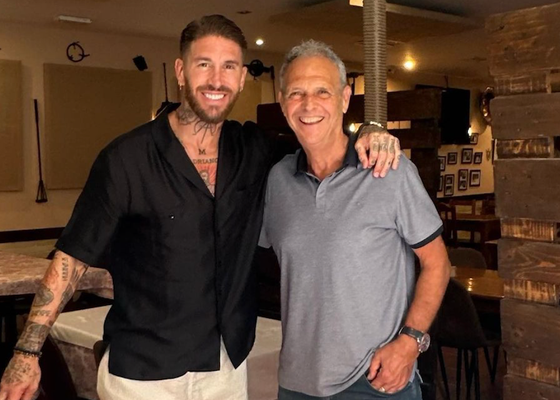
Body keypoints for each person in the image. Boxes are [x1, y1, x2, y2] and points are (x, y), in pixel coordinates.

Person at [0, 16, 401, 400]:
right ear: (181, 71)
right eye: (204, 64)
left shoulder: (254, 150)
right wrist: (26, 352)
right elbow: (72, 258)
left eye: (229, 67)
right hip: (142, 373)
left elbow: (321, 139)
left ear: (241, 78)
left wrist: (371, 129)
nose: (216, 79)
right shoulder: (127, 158)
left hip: (223, 370)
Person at [259, 40, 450, 400]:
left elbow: (437, 263)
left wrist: (410, 343)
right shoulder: (277, 180)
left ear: (345, 98)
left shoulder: (389, 170)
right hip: (297, 383)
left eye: (322, 91)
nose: (309, 104)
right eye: (297, 93)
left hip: (375, 381)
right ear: (283, 102)